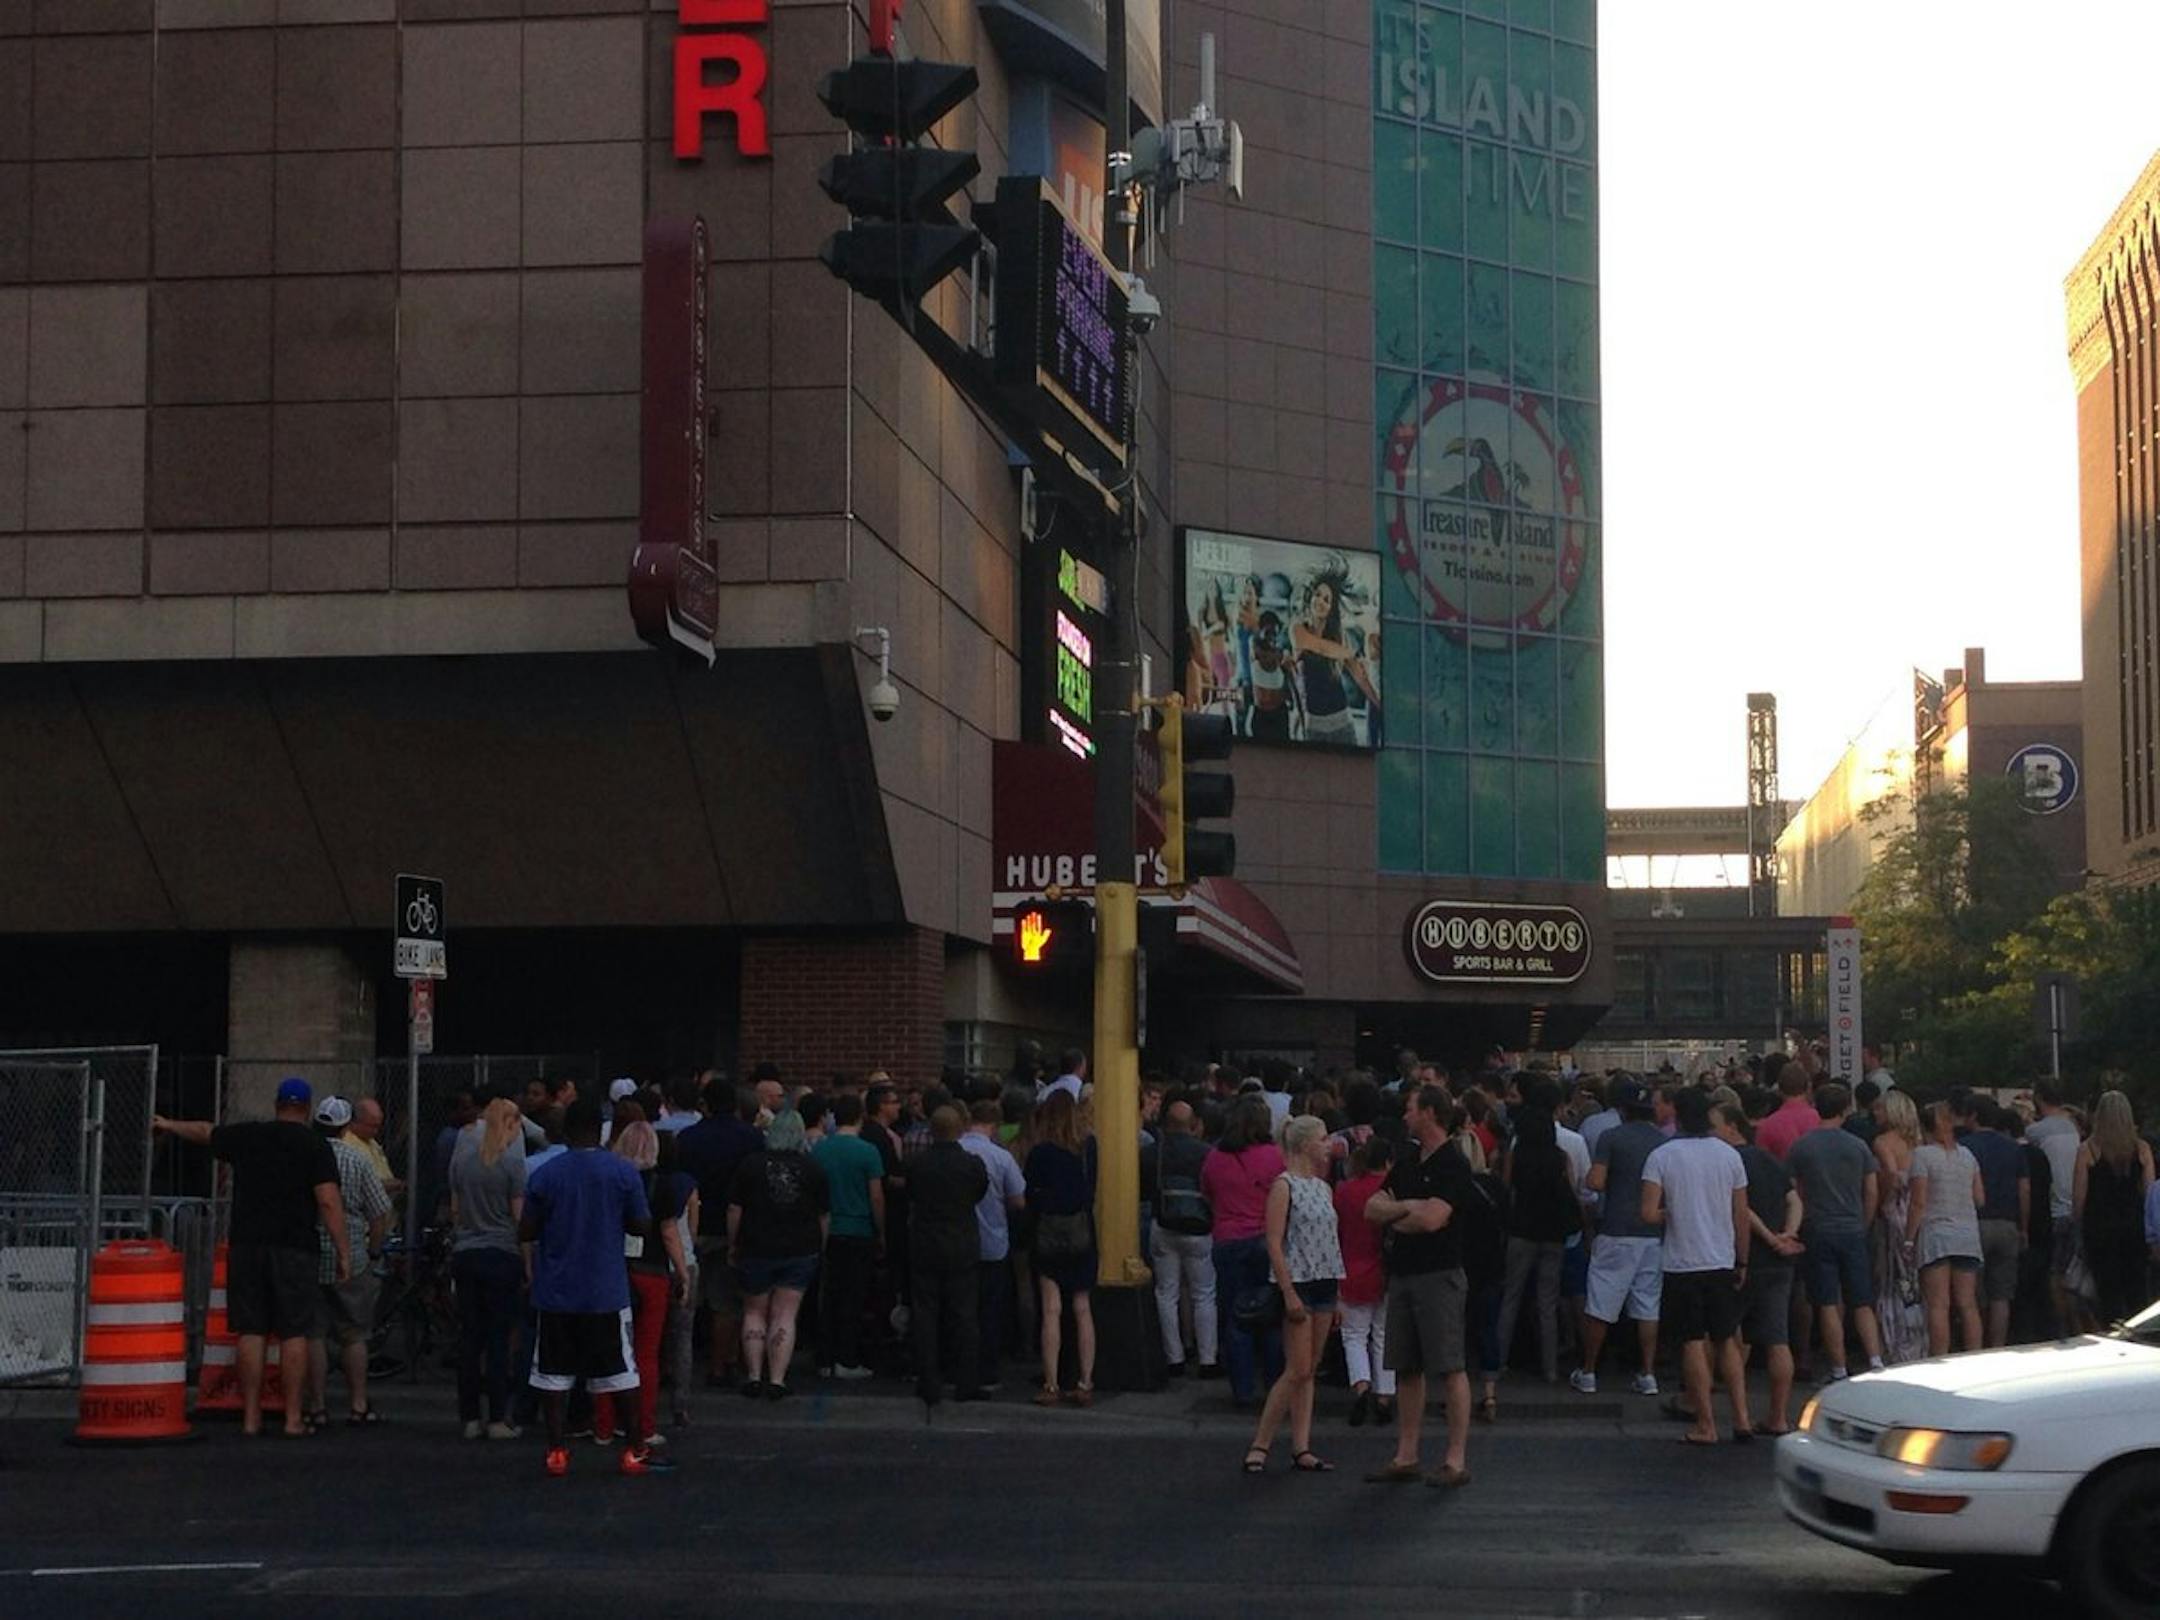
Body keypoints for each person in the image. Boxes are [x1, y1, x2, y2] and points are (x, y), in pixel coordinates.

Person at [153, 1078, 347, 1437]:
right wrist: (343, 1250)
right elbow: (328, 1200)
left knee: (251, 1330)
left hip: (247, 1245)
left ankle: (251, 1417)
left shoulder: (249, 1137)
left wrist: (168, 1125)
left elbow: (205, 1132)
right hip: (294, 1247)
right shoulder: (314, 1146)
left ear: (276, 1104)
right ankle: (291, 1418)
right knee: (294, 1332)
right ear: (305, 1109)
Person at [517, 1098, 660, 1477]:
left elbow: (526, 1230)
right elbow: (641, 1225)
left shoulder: (546, 1174)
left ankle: (556, 1449)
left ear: (565, 1131)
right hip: (605, 1288)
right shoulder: (622, 1173)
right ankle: (634, 1447)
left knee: (552, 1374)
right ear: (600, 1129)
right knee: (620, 1372)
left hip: (557, 1288)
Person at [1361, 1084, 1476, 1489]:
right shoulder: (1408, 1158)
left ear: (1429, 1112)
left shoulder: (1453, 1165)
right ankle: (1406, 1454)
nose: (1404, 1114)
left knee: (1450, 1364)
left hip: (1439, 1273)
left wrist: (1400, 1213)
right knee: (1406, 1366)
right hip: (1405, 1273)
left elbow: (1432, 1220)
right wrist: (1409, 1207)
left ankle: (1455, 1459)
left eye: (1411, 1108)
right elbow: (1372, 1207)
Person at [1641, 1088, 1754, 1445]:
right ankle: (1742, 1418)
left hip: (1682, 1261)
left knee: (1691, 1341)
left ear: (1677, 1114)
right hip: (1721, 1258)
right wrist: (1742, 1259)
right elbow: (1741, 1215)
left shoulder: (1662, 1156)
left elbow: (1646, 1213)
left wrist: (1673, 1212)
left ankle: (1706, 1423)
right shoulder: (1729, 1156)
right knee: (1726, 1340)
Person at [1242, 1116, 1346, 1474]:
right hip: (1299, 1280)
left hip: (1324, 1278)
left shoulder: (1323, 1186)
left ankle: (1301, 1445)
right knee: (1297, 1368)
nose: (1328, 1144)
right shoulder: (1284, 1186)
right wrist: (1287, 1290)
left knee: (1310, 1369)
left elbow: (1333, 1240)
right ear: (1305, 1145)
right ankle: (1261, 1442)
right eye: (1322, 1138)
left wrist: (1339, 1293)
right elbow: (1273, 1239)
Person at [591, 1122, 690, 1452]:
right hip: (651, 1273)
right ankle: (643, 1426)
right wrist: (682, 1270)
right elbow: (669, 1232)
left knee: (608, 1350)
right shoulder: (663, 1186)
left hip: (612, 1271)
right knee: (646, 1354)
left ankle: (604, 1426)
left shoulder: (608, 1182)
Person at [1786, 1083, 1886, 1381]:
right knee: (1861, 1299)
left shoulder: (1802, 1146)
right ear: (1845, 1110)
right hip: (1852, 1227)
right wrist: (1864, 1222)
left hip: (1817, 1228)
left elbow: (1792, 1191)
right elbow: (1871, 1190)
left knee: (1827, 1301)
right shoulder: (1858, 1146)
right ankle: (1875, 1359)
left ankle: (1839, 1367)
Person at [304, 1096, 391, 1432]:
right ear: (345, 1126)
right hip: (352, 1254)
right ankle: (358, 1404)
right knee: (354, 1334)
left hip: (311, 1253)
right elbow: (379, 1210)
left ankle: (317, 1405)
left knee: (314, 1333)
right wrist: (374, 1249)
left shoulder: (306, 1157)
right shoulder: (356, 1159)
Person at [1575, 1077, 1665, 1397]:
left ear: (1622, 1108)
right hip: (1653, 1231)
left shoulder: (1611, 1137)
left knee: (1601, 1303)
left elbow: (1596, 1181)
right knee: (1647, 1305)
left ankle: (1588, 1372)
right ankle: (1648, 1373)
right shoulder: (1662, 1141)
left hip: (1616, 1228)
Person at [1716, 1102, 1803, 1433]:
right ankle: (1778, 1416)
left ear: (1733, 1127)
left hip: (1745, 1259)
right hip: (1781, 1262)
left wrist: (1768, 1238)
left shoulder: (1730, 1162)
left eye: (1715, 1126)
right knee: (1778, 1339)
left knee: (1727, 1335)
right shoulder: (1769, 1159)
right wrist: (1789, 1234)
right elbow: (1794, 1199)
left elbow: (1742, 1209)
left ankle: (1740, 1415)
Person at [728, 1110, 827, 1398]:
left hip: (756, 1246)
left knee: (754, 1311)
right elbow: (823, 1214)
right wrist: (821, 1245)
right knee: (785, 1313)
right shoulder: (812, 1167)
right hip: (800, 1247)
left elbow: (735, 1209)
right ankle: (777, 1379)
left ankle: (754, 1375)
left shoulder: (750, 1165)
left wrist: (734, 1243)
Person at [1202, 1094, 1288, 1408]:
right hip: (1267, 1239)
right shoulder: (1275, 1157)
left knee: (1236, 1317)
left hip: (1227, 1240)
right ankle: (1274, 1385)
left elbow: (1207, 1193)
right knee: (1270, 1316)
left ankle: (1242, 1389)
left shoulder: (1214, 1157)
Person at [1494, 1076, 1580, 1391]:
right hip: (1554, 1233)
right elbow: (1572, 1193)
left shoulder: (1517, 1155)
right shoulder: (1561, 1158)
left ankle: (1498, 1361)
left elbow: (1506, 1189)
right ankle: (1551, 1368)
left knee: (1511, 1297)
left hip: (1521, 1229)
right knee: (1547, 1300)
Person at [676, 1083, 764, 1388]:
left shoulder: (687, 1139)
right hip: (731, 1226)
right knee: (725, 1301)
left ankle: (674, 1365)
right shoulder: (751, 1139)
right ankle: (721, 1364)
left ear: (705, 1104)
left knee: (684, 1301)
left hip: (691, 1225)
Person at [449, 1096, 527, 1440]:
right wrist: (529, 1265)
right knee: (498, 1339)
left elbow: (454, 1209)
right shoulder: (511, 1164)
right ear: (509, 1124)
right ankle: (497, 1416)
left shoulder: (462, 1160)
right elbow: (520, 1219)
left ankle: (469, 1417)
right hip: (501, 1253)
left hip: (466, 1252)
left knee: (470, 1338)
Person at [908, 1105, 991, 1405]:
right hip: (962, 1245)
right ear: (961, 1129)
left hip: (925, 1243)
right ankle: (966, 1381)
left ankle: (929, 1382)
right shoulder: (972, 1165)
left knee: (925, 1315)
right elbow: (978, 1194)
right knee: (965, 1316)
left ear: (931, 1130)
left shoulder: (918, 1165)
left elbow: (912, 1195)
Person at [1024, 1090, 1097, 1406]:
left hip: (1049, 1232)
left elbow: (1031, 1193)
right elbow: (1090, 1189)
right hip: (1081, 1231)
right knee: (1082, 1308)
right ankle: (1085, 1381)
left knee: (1051, 1308)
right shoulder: (1088, 1147)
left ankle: (1051, 1383)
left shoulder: (1040, 1151)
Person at [1143, 1099, 1220, 1378]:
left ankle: (1173, 1357)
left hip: (1163, 1226)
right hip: (1199, 1228)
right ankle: (1207, 1359)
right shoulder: (1207, 1153)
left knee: (1166, 1292)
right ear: (1193, 1124)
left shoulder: (1153, 1152)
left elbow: (1143, 1189)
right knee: (1203, 1294)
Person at [811, 1093, 886, 1380]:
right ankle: (847, 1358)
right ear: (860, 1117)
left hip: (828, 1230)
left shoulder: (819, 1150)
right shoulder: (868, 1152)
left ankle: (825, 1356)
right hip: (859, 1230)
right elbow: (876, 1197)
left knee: (829, 1296)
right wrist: (881, 1232)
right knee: (854, 1298)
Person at [1907, 1101, 1985, 1358]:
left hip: (1936, 1234)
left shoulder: (1922, 1155)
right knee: (1968, 1304)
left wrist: (1908, 1239)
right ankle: (1974, 1355)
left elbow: (1918, 1202)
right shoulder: (1968, 1156)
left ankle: (1939, 1357)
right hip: (1967, 1235)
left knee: (1939, 1305)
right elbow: (1979, 1198)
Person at [2073, 1090, 2157, 1327]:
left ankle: (2113, 1333)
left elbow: (2079, 1199)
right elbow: (2149, 1192)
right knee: (2137, 1291)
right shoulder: (2141, 1149)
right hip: (2134, 1229)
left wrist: (2078, 1229)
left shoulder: (2087, 1150)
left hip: (2099, 1231)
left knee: (2107, 1292)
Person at [959, 1099, 1027, 1391]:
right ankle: (987, 1371)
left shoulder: (956, 1150)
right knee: (989, 1311)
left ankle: (959, 1367)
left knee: (961, 1309)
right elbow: (1018, 1200)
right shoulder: (1001, 1157)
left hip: (958, 1243)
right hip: (993, 1242)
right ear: (995, 1125)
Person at [1954, 1095, 2030, 1348]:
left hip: (1974, 1224)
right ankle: (1998, 1347)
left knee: (1974, 1296)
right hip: (2007, 1223)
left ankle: (1976, 1346)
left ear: (1973, 1116)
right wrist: (2023, 1226)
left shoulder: (1963, 1147)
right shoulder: (2012, 1148)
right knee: (2002, 1295)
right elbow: (2024, 1189)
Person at [1334, 1136, 1395, 1427]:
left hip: (1351, 1268)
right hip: (1386, 1270)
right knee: (1383, 1334)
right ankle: (1385, 1393)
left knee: (1354, 1335)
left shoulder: (1344, 1191)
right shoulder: (1392, 1192)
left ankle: (1361, 1384)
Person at [1870, 1090, 1927, 1365]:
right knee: (1913, 1280)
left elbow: (1891, 1174)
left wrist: (1884, 1201)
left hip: (1895, 1211)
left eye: (1880, 1110)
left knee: (1890, 1279)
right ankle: (1918, 1339)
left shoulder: (1882, 1142)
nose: (1875, 1114)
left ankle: (1893, 1341)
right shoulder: (1918, 1142)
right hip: (1917, 1211)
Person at [2027, 1079, 2086, 1333]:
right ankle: (2079, 1324)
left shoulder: (2035, 1132)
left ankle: (2061, 1326)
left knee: (2055, 1273)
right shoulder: (2073, 1128)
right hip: (2075, 1206)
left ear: (2039, 1098)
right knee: (2073, 1272)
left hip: (2053, 1209)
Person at [1754, 1064, 1821, 1162]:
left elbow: (1762, 1165)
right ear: (1808, 1087)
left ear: (1779, 1090)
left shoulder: (1767, 1126)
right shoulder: (1820, 1120)